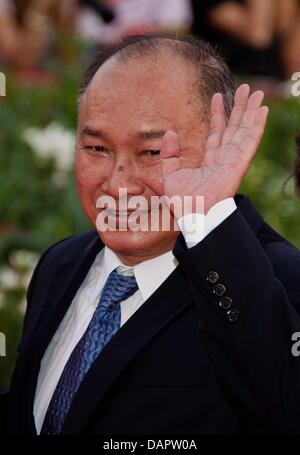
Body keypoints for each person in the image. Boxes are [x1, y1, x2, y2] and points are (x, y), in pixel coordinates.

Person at [2, 33, 300, 435]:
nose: (119, 182)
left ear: (222, 142)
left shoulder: (276, 282)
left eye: (153, 153)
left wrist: (206, 218)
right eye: (97, 148)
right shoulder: (61, 263)